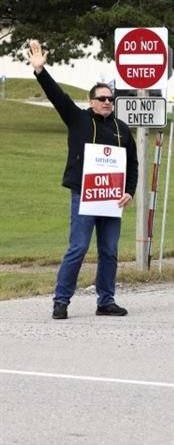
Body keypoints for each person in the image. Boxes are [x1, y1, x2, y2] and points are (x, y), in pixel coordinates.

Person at [27, 40, 138, 320]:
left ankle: (106, 301)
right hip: (83, 194)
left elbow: (132, 163)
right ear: (91, 101)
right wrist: (41, 71)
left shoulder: (121, 129)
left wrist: (129, 191)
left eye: (111, 99)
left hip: (112, 198)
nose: (107, 103)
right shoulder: (77, 118)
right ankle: (61, 300)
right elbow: (57, 96)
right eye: (102, 99)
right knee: (77, 248)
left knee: (110, 250)